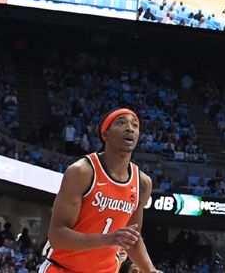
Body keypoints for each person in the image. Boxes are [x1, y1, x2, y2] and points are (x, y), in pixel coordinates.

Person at [39, 109, 161, 273]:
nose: (130, 128)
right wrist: (107, 239)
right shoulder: (82, 172)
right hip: (63, 268)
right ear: (106, 134)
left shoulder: (142, 183)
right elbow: (57, 237)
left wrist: (150, 270)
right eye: (121, 123)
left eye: (135, 125)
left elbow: (133, 238)